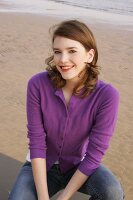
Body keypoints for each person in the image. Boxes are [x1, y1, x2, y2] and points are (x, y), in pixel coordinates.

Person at [8, 20, 124, 200]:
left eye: (72, 51)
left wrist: (65, 196)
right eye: (57, 52)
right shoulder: (37, 85)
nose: (62, 60)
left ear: (89, 55)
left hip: (80, 165)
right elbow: (37, 143)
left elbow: (95, 154)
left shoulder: (107, 96)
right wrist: (44, 197)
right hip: (41, 166)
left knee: (112, 192)